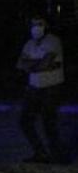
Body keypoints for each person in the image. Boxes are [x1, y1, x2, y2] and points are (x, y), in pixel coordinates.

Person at [16, 15, 66, 163]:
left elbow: (42, 64)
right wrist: (45, 64)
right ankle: (41, 153)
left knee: (48, 123)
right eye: (33, 24)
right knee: (25, 121)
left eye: (40, 24)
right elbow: (20, 64)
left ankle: (57, 157)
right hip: (33, 88)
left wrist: (33, 64)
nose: (36, 27)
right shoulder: (29, 43)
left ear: (46, 26)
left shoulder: (53, 40)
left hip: (51, 88)